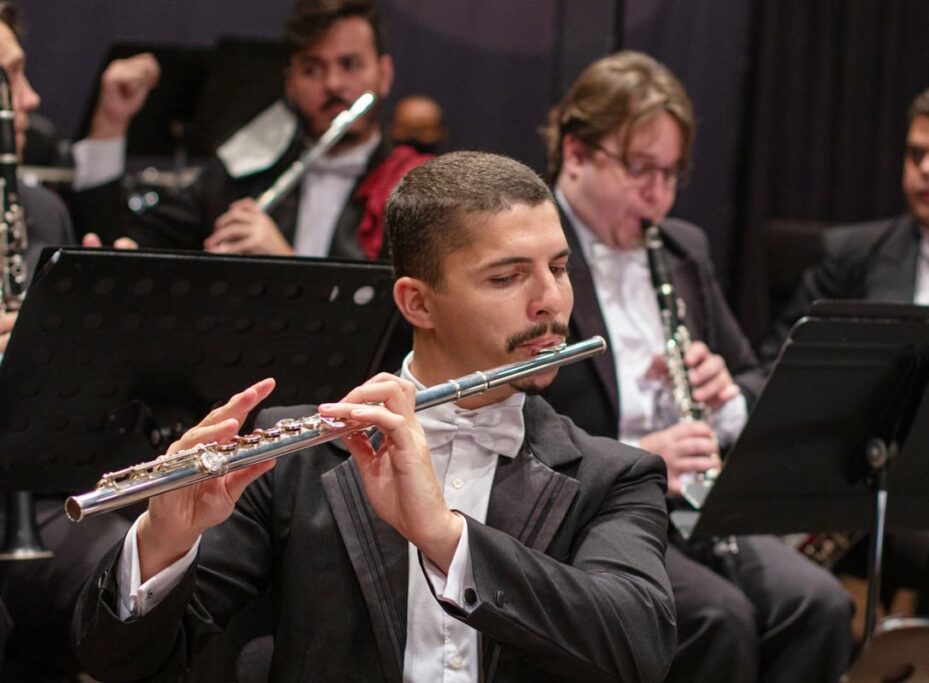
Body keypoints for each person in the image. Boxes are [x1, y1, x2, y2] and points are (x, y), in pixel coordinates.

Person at [72, 151, 677, 682]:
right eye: (508, 276)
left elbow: (639, 648)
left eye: (560, 267)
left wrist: (446, 538)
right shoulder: (298, 460)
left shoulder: (614, 477)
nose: (552, 300)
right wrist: (163, 542)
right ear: (417, 301)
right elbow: (121, 662)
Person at [540, 51, 853, 683]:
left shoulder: (683, 248)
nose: (658, 194)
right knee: (719, 618)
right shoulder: (532, 253)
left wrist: (724, 398)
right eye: (640, 169)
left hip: (693, 506)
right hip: (584, 511)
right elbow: (511, 419)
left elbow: (751, 376)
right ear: (576, 153)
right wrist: (636, 453)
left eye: (671, 173)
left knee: (821, 604)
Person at [763, 86, 929, 614]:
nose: (926, 169)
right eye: (915, 154)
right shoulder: (854, 257)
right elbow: (781, 366)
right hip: (913, 486)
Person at [69, 0, 430, 260]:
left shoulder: (415, 187)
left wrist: (287, 265)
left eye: (350, 65)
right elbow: (114, 240)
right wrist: (110, 123)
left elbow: (407, 321)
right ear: (289, 81)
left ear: (383, 75)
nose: (334, 84)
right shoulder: (241, 175)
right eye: (312, 69)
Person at [0, 3, 134, 679]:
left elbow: (68, 424)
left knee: (136, 572)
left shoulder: (38, 208)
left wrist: (93, 343)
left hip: (38, 501)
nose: (31, 99)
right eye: (9, 80)